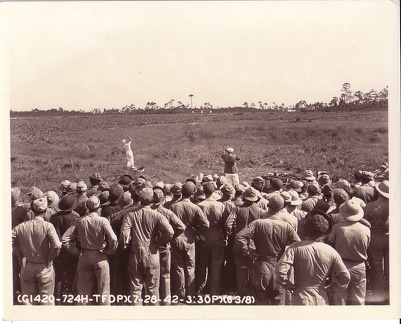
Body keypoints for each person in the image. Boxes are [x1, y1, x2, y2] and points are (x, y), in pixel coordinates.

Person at [277, 210, 350, 305]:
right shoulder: (331, 251)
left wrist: (289, 286)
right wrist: (331, 290)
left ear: (306, 229)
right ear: (325, 233)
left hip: (300, 297)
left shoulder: (294, 248)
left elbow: (280, 271)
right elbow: (345, 277)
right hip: (321, 297)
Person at [120, 188, 174, 306]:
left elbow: (124, 235)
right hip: (152, 252)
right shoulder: (157, 215)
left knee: (135, 288)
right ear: (151, 201)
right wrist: (158, 242)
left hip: (135, 253)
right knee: (153, 288)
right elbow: (170, 232)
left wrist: (124, 246)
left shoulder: (130, 215)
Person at [62, 195, 118, 305]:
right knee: (104, 292)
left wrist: (74, 251)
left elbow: (65, 238)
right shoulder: (103, 221)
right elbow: (113, 238)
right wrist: (110, 250)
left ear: (87, 207)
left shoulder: (79, 221)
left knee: (83, 293)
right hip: (100, 255)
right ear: (99, 207)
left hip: (84, 256)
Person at [235, 217, 300, 305]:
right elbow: (298, 244)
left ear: (268, 207)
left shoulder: (257, 223)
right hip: (279, 267)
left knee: (260, 304)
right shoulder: (286, 226)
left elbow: (240, 236)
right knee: (278, 304)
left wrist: (248, 251)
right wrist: (287, 257)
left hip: (261, 266)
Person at [12, 197, 62, 305]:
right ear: (45, 211)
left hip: (27, 266)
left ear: (32, 211)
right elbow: (57, 245)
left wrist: (18, 253)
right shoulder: (48, 226)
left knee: (29, 303)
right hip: (44, 267)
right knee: (46, 302)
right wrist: (50, 257)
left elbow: (7, 242)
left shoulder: (20, 227)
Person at [170, 181, 209, 300]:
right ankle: (190, 294)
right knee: (190, 267)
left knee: (178, 267)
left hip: (176, 238)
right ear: (192, 193)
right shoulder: (195, 207)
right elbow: (206, 224)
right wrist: (196, 233)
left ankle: (180, 293)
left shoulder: (173, 206)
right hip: (190, 239)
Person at [328, 199, 371, 305]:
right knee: (358, 298)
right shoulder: (366, 229)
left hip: (341, 264)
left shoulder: (337, 228)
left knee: (340, 296)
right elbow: (367, 245)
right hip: (359, 265)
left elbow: (331, 242)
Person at [226, 187, 266, 296]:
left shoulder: (237, 209)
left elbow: (228, 224)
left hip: (239, 242)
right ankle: (253, 293)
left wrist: (234, 232)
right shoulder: (262, 212)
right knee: (254, 268)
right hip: (255, 244)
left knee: (241, 269)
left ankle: (243, 294)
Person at [151, 186, 185, 305]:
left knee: (151, 276)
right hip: (164, 246)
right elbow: (181, 227)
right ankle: (166, 301)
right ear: (163, 199)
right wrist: (170, 237)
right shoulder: (167, 212)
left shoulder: (147, 211)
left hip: (150, 248)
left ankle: (152, 301)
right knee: (165, 275)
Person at [49, 195, 80, 305]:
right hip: (71, 252)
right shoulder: (75, 218)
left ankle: (58, 301)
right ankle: (71, 300)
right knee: (72, 277)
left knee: (59, 277)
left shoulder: (53, 218)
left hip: (58, 252)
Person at [196, 182, 226, 296]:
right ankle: (214, 291)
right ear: (214, 191)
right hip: (217, 235)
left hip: (204, 236)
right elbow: (224, 223)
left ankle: (201, 289)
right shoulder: (221, 205)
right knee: (216, 265)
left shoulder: (200, 205)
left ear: (204, 191)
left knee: (203, 265)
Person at [363, 180, 389, 304]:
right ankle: (391, 293)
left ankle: (378, 295)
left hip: (375, 237)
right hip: (391, 236)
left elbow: (363, 220)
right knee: (391, 267)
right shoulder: (395, 205)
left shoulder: (371, 206)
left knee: (377, 267)